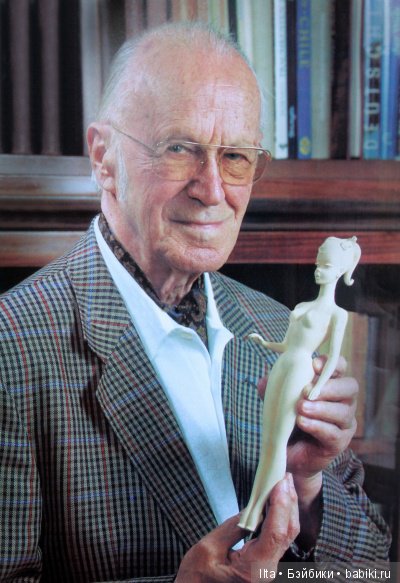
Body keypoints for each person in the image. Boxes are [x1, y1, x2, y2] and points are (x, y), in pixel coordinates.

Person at [0, 22, 390, 583]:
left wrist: (308, 487)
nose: (212, 190)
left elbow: (373, 566)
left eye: (235, 156)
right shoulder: (12, 348)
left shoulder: (274, 324)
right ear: (104, 157)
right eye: (180, 149)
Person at [238, 236, 362, 532]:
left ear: (339, 271)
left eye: (326, 266)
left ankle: (255, 512)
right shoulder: (304, 304)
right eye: (318, 264)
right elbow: (286, 344)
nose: (319, 270)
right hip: (283, 365)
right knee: (268, 442)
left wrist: (317, 389)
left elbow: (332, 357)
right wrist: (264, 342)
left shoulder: (337, 314)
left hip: (301, 371)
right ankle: (251, 509)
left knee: (278, 445)